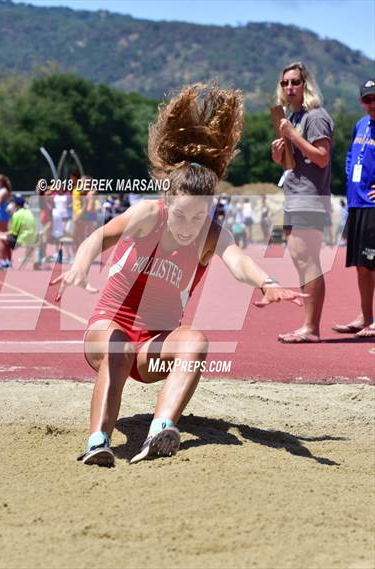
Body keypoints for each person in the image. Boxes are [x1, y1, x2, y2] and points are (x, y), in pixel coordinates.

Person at [51, 84, 307, 467]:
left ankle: (162, 429)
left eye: (199, 217)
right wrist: (79, 265)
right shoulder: (147, 215)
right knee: (118, 345)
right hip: (109, 330)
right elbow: (97, 237)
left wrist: (268, 283)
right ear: (168, 202)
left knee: (196, 341)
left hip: (154, 346)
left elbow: (238, 263)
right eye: (183, 215)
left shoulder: (212, 234)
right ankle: (97, 441)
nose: (190, 226)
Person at [271, 61, 334, 343]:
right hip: (294, 195)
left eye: (295, 82)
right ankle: (308, 325)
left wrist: (293, 136)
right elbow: (293, 163)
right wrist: (279, 153)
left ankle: (311, 328)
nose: (289, 87)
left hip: (310, 197)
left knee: (307, 259)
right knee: (300, 259)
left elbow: (322, 157)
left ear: (306, 85)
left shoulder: (316, 116)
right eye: (285, 83)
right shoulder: (291, 118)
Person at [332, 79, 375, 338]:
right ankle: (364, 315)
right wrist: (350, 176)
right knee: (362, 264)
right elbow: (351, 155)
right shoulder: (360, 125)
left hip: (373, 205)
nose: (371, 104)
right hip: (357, 203)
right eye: (367, 100)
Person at [0, 194, 37, 270]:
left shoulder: (17, 214)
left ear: (16, 205)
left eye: (12, 203)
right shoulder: (29, 212)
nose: (11, 204)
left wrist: (1, 234)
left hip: (22, 240)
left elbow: (14, 233)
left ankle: (4, 263)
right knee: (5, 239)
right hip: (32, 239)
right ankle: (9, 262)